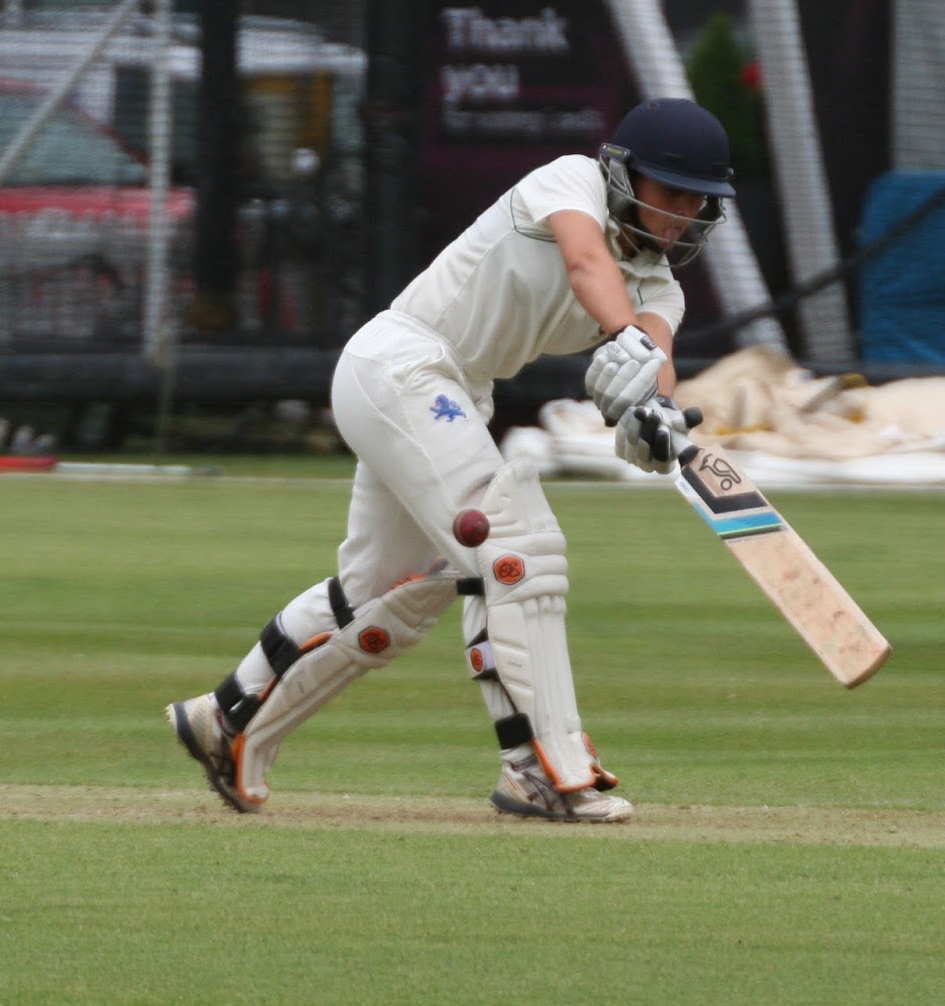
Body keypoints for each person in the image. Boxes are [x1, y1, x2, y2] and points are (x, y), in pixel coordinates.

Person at [165, 98, 736, 822]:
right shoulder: (571, 182)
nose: (683, 215)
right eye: (671, 193)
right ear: (624, 175)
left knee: (387, 592)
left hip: (454, 393)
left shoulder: (661, 285)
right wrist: (625, 340)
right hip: (404, 363)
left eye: (698, 201)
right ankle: (539, 768)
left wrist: (648, 413)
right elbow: (587, 262)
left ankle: (228, 721)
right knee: (514, 545)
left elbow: (654, 352)